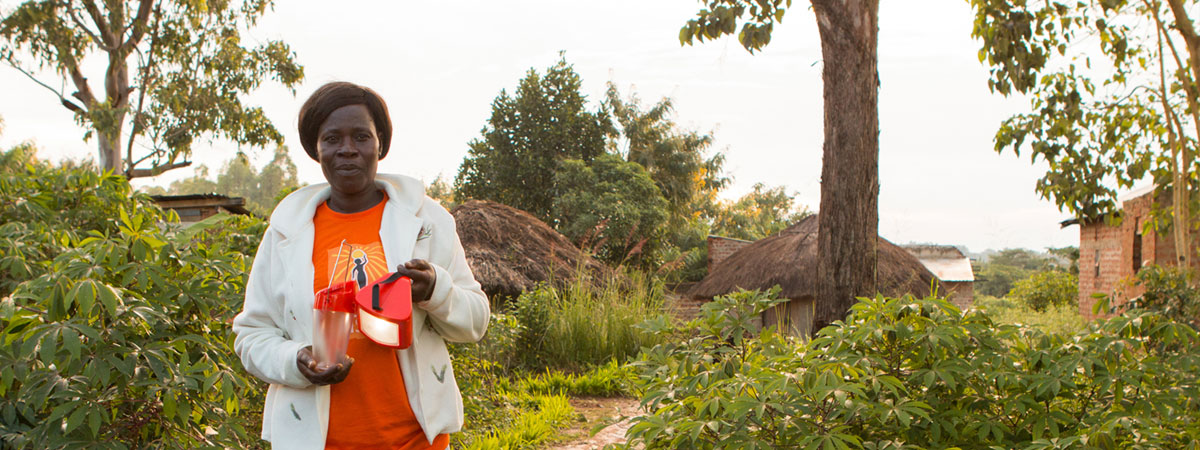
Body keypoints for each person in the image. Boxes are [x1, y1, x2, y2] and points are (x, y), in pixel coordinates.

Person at [233, 81, 490, 449]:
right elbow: (252, 335)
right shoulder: (286, 232)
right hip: (317, 442)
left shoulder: (427, 222)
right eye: (332, 139)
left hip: (415, 441)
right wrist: (296, 360)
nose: (347, 150)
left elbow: (476, 321)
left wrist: (436, 289)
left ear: (380, 145)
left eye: (362, 137)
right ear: (316, 149)